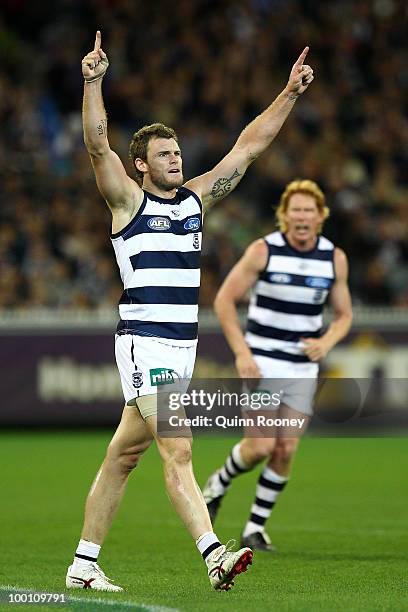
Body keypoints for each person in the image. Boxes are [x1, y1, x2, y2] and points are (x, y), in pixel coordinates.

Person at [66, 31, 314, 592]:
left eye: (178, 153)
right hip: (145, 339)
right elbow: (97, 146)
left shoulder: (197, 201)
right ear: (141, 165)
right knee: (177, 449)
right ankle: (214, 555)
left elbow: (249, 145)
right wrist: (93, 81)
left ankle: (83, 563)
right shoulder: (128, 202)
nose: (176, 160)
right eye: (164, 155)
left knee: (123, 456)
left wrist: (290, 94)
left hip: (180, 346)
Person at [203, 179, 352, 551]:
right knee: (260, 447)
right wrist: (242, 353)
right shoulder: (262, 251)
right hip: (263, 364)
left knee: (286, 449)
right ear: (284, 216)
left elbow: (344, 315)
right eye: (295, 210)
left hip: (301, 369)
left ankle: (256, 526)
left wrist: (327, 341)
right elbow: (224, 300)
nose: (302, 216)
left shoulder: (334, 258)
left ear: (320, 217)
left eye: (309, 210)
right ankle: (218, 484)